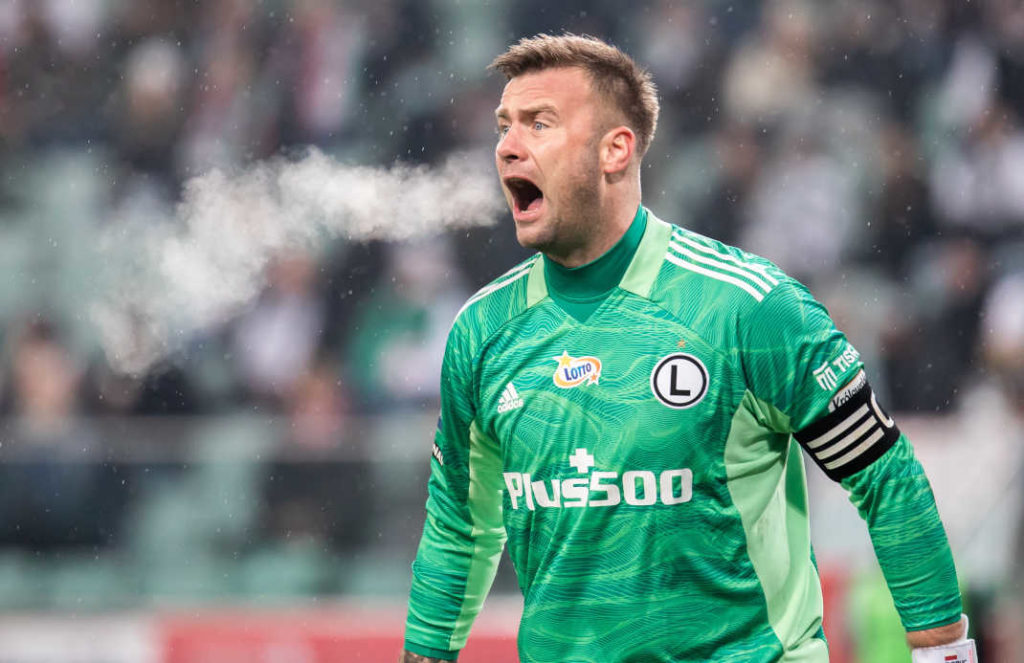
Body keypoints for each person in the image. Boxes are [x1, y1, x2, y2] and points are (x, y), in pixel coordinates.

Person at [401, 34, 975, 663]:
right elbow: (461, 529)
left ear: (615, 150)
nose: (508, 145)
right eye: (503, 126)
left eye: (540, 123)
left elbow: (886, 478)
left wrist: (945, 655)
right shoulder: (482, 332)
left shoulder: (750, 309)